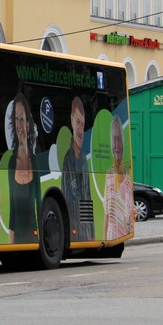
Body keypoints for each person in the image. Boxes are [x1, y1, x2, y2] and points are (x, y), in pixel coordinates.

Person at [6, 93, 39, 244]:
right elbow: (12, 213)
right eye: (16, 119)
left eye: (22, 118)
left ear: (27, 123)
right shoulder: (11, 163)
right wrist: (10, 247)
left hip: (34, 237)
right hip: (17, 238)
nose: (19, 125)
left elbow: (40, 206)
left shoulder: (35, 162)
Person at [62, 97, 95, 241]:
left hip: (86, 233)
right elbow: (70, 200)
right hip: (75, 230)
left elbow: (87, 197)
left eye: (83, 124)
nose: (81, 129)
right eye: (77, 123)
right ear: (71, 121)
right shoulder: (67, 161)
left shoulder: (83, 160)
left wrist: (93, 234)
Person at [104, 116, 134, 239]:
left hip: (122, 236)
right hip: (111, 237)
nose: (116, 145)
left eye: (119, 139)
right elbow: (107, 216)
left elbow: (131, 220)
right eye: (114, 140)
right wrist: (104, 242)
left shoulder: (128, 179)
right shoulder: (109, 176)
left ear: (123, 142)